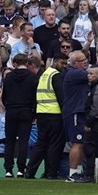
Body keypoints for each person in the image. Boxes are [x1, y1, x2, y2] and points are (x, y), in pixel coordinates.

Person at [25, 52, 68, 180]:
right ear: (55, 62)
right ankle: (51, 173)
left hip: (42, 114)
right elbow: (61, 97)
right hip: (54, 114)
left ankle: (30, 171)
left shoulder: (44, 74)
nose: (64, 66)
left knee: (41, 144)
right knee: (54, 145)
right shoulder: (56, 75)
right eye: (62, 63)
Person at [1, 54, 38, 178]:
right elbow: (35, 97)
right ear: (26, 63)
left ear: (14, 62)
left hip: (11, 110)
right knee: (23, 140)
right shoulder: (32, 77)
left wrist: (8, 106)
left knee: (10, 140)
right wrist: (34, 113)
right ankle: (21, 169)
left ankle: (8, 169)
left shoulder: (8, 77)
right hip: (26, 110)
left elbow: (4, 96)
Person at [62, 50, 91, 182]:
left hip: (79, 111)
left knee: (81, 143)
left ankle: (77, 173)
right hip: (75, 112)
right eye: (81, 60)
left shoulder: (76, 73)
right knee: (77, 143)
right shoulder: (74, 73)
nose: (85, 62)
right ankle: (72, 174)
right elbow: (93, 74)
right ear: (74, 63)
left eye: (86, 59)